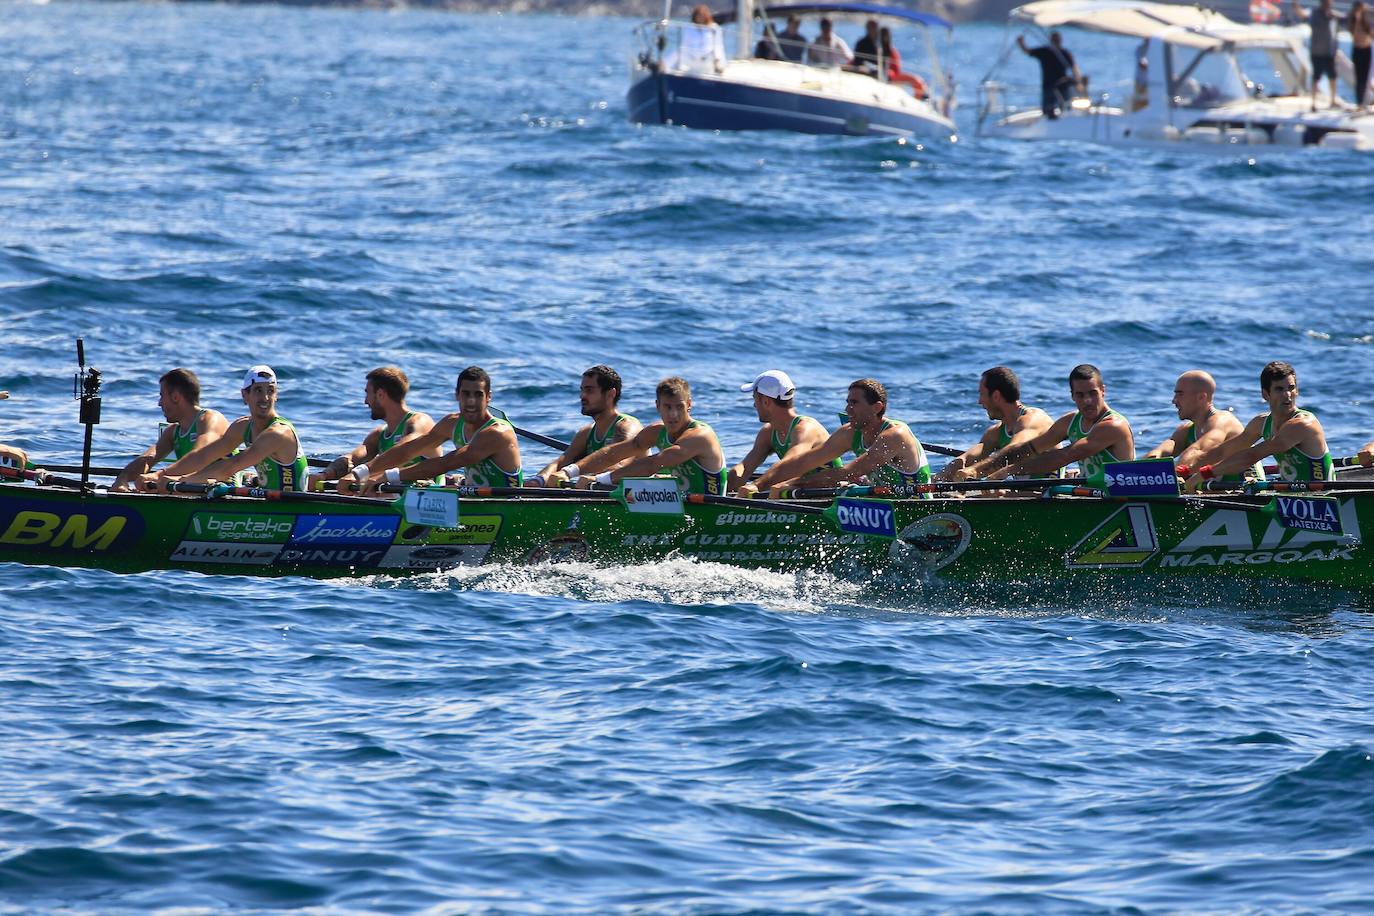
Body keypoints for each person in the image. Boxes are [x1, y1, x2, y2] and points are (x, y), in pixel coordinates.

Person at [738, 378, 930, 497]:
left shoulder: (896, 435)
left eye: (854, 403)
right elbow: (803, 462)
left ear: (877, 407)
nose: (847, 409)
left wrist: (793, 483)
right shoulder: (849, 432)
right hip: (881, 501)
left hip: (914, 505)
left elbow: (849, 472)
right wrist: (758, 485)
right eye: (847, 402)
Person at [548, 376, 727, 495]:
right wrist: (569, 471)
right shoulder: (656, 431)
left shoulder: (700, 435)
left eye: (679, 407)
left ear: (689, 405)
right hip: (679, 505)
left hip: (712, 512)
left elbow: (653, 463)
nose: (673, 415)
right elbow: (613, 453)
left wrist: (599, 479)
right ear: (658, 406)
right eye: (668, 407)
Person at [357, 366, 524, 493]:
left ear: (489, 397)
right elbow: (408, 451)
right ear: (457, 395)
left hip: (506, 503)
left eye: (478, 395)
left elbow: (447, 462)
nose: (471, 401)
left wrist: (387, 476)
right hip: (474, 498)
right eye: (466, 394)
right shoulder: (451, 423)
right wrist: (362, 472)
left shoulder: (498, 433)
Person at [151, 365, 309, 491]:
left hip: (290, 507)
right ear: (244, 396)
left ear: (277, 395)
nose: (265, 398)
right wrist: (161, 475)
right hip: (268, 501)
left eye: (270, 391)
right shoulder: (242, 426)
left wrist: (180, 480)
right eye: (258, 391)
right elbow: (203, 456)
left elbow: (231, 466)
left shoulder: (278, 432)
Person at [1184, 361, 1332, 492]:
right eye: (1279, 389)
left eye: (1291, 388)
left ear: (1297, 391)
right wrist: (1186, 472)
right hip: (1292, 498)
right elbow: (1224, 450)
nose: (1288, 395)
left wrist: (1204, 474)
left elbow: (1251, 456)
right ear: (1265, 394)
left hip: (1323, 498)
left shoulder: (1302, 424)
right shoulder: (1261, 423)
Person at [988, 364, 1135, 480]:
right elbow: (1030, 448)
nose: (1087, 401)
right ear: (1072, 396)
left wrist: (1011, 469)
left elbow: (1066, 456)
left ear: (1103, 391)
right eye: (1080, 395)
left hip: (1119, 497)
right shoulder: (1070, 421)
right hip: (1092, 494)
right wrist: (985, 468)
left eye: (1093, 393)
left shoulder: (1114, 425)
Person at [310, 366, 440, 491]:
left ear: (380, 394)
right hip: (393, 497)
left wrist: (358, 474)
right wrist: (324, 474)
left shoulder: (420, 421)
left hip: (429, 501)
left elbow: (405, 451)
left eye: (367, 394)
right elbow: (352, 459)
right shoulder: (379, 434)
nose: (365, 401)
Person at [112, 368, 230, 490]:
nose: (159, 403)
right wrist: (122, 479)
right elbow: (148, 458)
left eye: (162, 396)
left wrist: (159, 475)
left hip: (223, 490)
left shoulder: (210, 419)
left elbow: (200, 456)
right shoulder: (172, 432)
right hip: (193, 490)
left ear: (175, 397)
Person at [530, 365, 645, 487]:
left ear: (610, 394)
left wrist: (592, 478)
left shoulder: (627, 426)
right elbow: (561, 463)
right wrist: (539, 480)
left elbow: (621, 464)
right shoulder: (586, 432)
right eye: (582, 390)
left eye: (589, 390)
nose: (582, 396)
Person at [726, 370, 838, 492]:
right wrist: (727, 487)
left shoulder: (805, 429)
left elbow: (791, 464)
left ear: (765, 401)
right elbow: (745, 467)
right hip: (799, 490)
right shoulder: (768, 433)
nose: (754, 405)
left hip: (830, 493)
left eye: (755, 399)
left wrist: (757, 485)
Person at [938, 366, 1054, 481]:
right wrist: (956, 465)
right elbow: (973, 456)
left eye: (982, 394)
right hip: (1024, 493)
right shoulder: (997, 432)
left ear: (996, 396)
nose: (979, 401)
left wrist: (974, 471)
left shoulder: (1033, 418)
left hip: (1048, 493)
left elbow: (1016, 450)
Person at [1144, 370, 1252, 483]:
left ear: (1201, 397)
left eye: (1180, 394)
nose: (1174, 400)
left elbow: (1199, 451)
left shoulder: (1223, 421)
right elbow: (1160, 452)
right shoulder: (1186, 430)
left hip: (1248, 491)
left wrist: (1176, 473)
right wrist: (1139, 472)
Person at [1017, 31, 1081, 119]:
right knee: (1048, 109)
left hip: (1062, 85)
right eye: (1055, 39)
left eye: (1057, 39)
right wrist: (1021, 43)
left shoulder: (1064, 53)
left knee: (1066, 107)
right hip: (1048, 86)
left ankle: (1062, 118)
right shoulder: (1044, 51)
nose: (1056, 41)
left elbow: (1074, 68)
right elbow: (1028, 51)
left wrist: (1078, 82)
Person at [1293, 0, 1340, 110]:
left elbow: (1336, 34)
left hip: (1330, 52)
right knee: (1316, 77)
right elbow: (1302, 14)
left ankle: (1332, 101)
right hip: (1317, 52)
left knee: (1332, 76)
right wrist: (1296, 6)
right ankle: (1313, 103)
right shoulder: (1314, 14)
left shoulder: (1333, 16)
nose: (1328, 4)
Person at [673, 4, 726, 73]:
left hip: (708, 59)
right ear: (695, 17)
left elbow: (718, 45)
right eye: (698, 16)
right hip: (692, 59)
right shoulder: (689, 28)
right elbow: (684, 44)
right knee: (677, 54)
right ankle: (664, 67)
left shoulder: (714, 28)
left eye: (702, 16)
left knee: (714, 58)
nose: (700, 18)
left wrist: (717, 58)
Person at [881, 27, 928, 98]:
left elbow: (895, 70)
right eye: (883, 35)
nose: (885, 37)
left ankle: (920, 97)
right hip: (880, 75)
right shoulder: (874, 47)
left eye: (886, 35)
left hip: (891, 76)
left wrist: (890, 74)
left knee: (917, 80)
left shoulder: (891, 51)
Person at [1350, 1, 1372, 110]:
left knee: (1365, 78)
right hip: (1357, 50)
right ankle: (1359, 103)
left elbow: (1371, 36)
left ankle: (1363, 103)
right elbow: (1354, 36)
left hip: (1366, 50)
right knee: (1359, 79)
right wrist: (1357, 18)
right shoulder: (1354, 21)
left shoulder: (1366, 21)